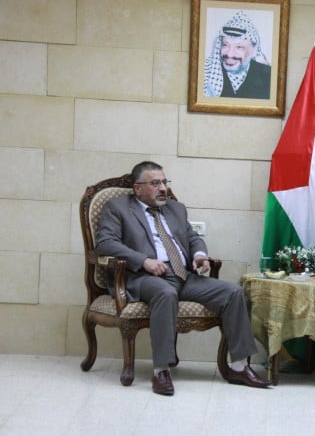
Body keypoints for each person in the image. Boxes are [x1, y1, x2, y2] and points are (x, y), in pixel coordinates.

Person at [95, 161, 272, 395]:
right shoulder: (117, 208)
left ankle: (239, 367)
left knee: (233, 293)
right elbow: (105, 243)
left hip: (182, 274)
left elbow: (192, 238)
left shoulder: (176, 209)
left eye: (164, 182)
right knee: (166, 293)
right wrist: (144, 260)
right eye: (155, 183)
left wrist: (199, 255)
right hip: (143, 276)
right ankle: (161, 371)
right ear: (137, 188)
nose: (163, 188)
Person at [203, 10, 271, 99]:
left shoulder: (269, 76)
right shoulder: (206, 72)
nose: (229, 54)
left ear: (254, 50)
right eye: (225, 45)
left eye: (239, 47)